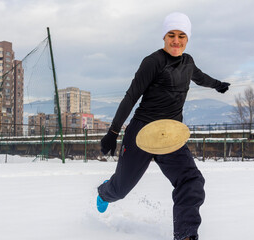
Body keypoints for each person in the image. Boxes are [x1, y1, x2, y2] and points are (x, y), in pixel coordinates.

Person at [97, 12, 230, 240]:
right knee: (120, 189)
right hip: (142, 133)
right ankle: (105, 191)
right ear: (164, 37)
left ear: (187, 38)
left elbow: (200, 77)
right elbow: (130, 97)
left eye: (181, 36)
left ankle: (186, 235)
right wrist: (113, 132)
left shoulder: (188, 63)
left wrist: (218, 85)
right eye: (171, 35)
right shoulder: (153, 62)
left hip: (171, 135)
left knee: (192, 181)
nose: (176, 41)